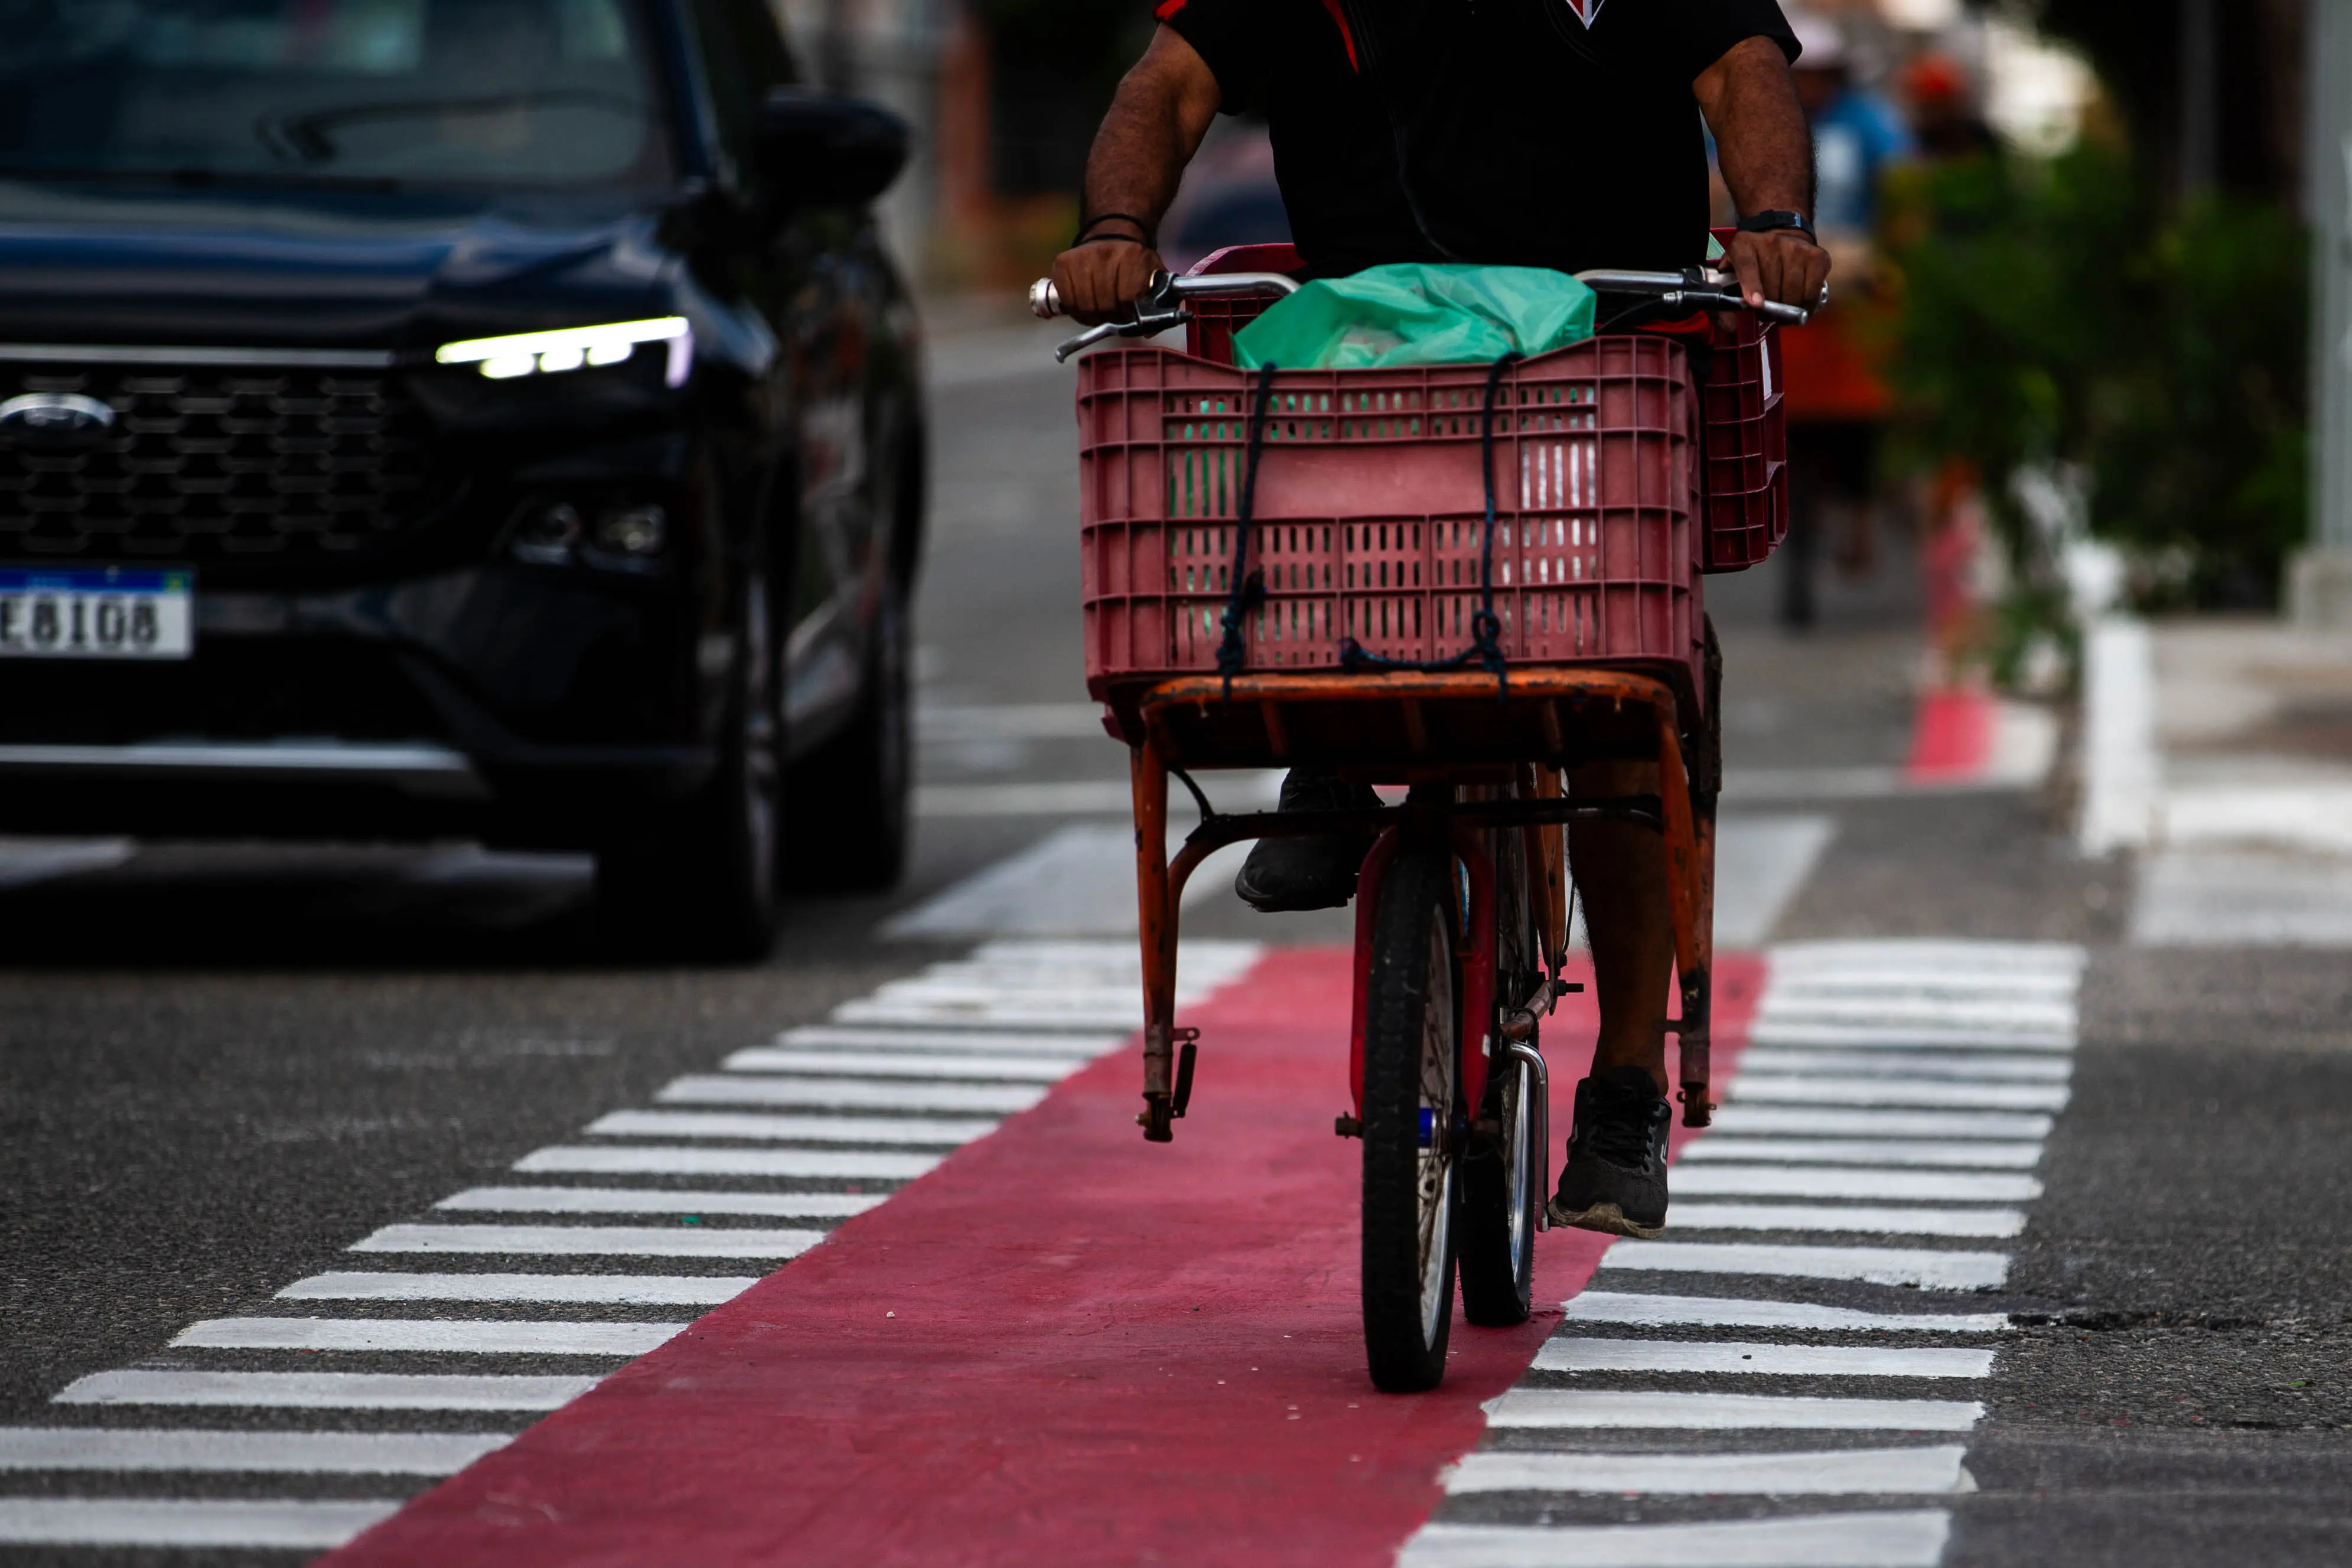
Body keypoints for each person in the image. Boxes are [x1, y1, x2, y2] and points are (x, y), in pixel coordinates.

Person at [1049, 0, 1829, 1240]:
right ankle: (1330, 757)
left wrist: (1775, 227)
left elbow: (1741, 72)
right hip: (1376, 373)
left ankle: (1624, 1086)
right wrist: (1111, 228)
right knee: (1300, 571)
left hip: (1599, 365)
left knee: (1635, 691)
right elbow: (1170, 87)